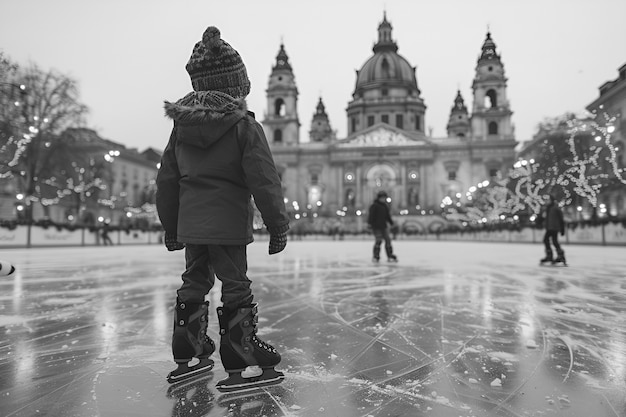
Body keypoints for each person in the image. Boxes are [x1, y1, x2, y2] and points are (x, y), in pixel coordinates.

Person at [156, 26, 290, 391]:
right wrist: (277, 224)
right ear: (235, 86)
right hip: (229, 225)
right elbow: (264, 178)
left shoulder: (180, 129)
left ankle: (188, 347)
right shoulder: (243, 126)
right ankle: (240, 353)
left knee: (194, 280)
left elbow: (167, 182)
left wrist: (171, 226)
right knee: (235, 284)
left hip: (191, 225)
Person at [367, 191, 398, 263]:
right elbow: (371, 216)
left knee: (388, 240)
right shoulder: (374, 206)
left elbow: (387, 216)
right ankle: (376, 256)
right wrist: (369, 224)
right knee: (379, 240)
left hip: (384, 226)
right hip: (376, 226)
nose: (383, 199)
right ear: (379, 198)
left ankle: (390, 255)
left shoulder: (385, 206)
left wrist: (391, 223)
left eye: (384, 198)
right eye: (382, 198)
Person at [539, 194, 566, 266]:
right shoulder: (548, 208)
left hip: (554, 227)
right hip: (549, 227)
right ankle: (557, 256)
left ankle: (553, 256)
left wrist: (562, 228)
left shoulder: (555, 208)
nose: (546, 201)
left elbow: (561, 218)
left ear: (551, 200)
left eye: (548, 200)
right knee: (553, 241)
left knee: (549, 241)